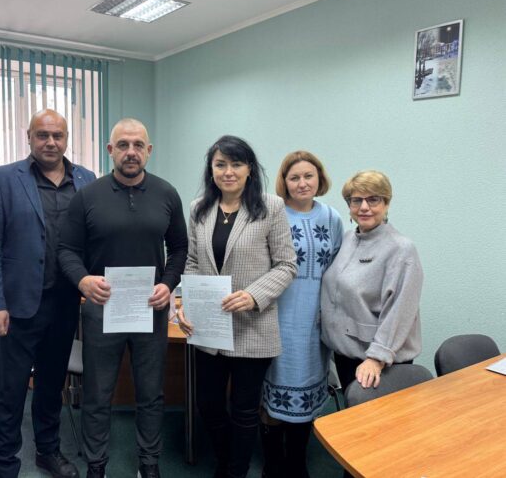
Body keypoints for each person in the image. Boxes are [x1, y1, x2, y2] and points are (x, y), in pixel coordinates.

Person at [58, 118, 188, 478]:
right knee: (98, 394)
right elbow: (66, 250)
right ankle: (96, 464)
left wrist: (169, 283)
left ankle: (149, 462)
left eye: (138, 145)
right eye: (123, 145)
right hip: (102, 310)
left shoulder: (167, 194)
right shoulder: (88, 196)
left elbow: (179, 248)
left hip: (151, 309)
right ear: (110, 150)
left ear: (149, 150)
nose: (131, 152)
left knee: (151, 393)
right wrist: (83, 280)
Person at [0, 109, 96, 478]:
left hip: (66, 302)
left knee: (51, 383)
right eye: (42, 135)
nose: (50, 142)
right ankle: (5, 464)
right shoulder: (2, 179)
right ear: (29, 137)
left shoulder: (86, 179)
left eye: (57, 135)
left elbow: (93, 238)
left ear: (66, 139)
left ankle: (48, 451)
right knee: (11, 388)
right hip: (18, 305)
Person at [177, 135, 297, 478]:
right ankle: (225, 459)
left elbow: (287, 265)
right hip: (209, 327)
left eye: (236, 164)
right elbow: (193, 263)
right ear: (211, 170)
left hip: (252, 327)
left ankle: (235, 471)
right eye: (220, 164)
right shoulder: (198, 208)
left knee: (244, 410)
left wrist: (254, 295)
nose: (228, 171)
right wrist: (186, 302)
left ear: (249, 170)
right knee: (209, 405)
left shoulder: (271, 207)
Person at [260, 151, 344, 478]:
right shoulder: (272, 214)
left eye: (309, 176)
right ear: (285, 182)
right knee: (274, 390)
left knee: (307, 391)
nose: (302, 183)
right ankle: (272, 461)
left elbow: (337, 270)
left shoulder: (332, 218)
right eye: (294, 177)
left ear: (319, 178)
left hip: (314, 321)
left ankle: (297, 461)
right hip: (276, 317)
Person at [321, 170, 423, 393]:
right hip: (346, 353)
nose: (364, 207)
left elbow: (401, 310)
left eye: (373, 199)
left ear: (386, 203)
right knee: (350, 411)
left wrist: (377, 358)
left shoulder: (401, 249)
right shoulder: (347, 239)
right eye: (356, 200)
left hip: (379, 362)